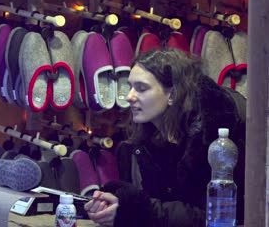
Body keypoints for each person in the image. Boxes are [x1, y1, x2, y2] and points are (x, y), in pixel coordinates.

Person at [84, 48, 246, 227]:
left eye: (141, 88)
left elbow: (214, 217)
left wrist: (136, 212)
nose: (129, 97)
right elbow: (161, 204)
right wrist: (117, 201)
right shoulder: (146, 140)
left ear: (172, 95)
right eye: (130, 87)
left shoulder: (212, 139)